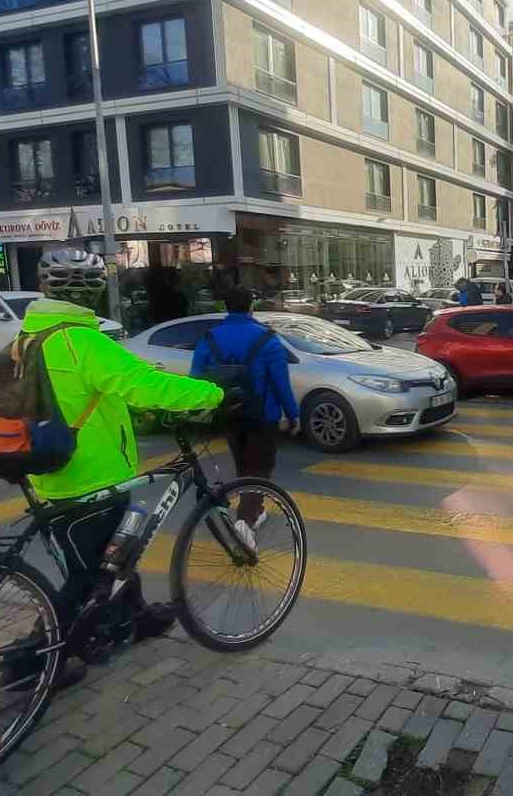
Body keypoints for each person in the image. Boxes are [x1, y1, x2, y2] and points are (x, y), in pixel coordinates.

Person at [15, 297, 226, 684]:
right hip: (89, 476)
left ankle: (136, 616)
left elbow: (76, 394)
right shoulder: (81, 341)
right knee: (86, 576)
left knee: (117, 552)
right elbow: (144, 384)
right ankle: (32, 665)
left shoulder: (28, 337)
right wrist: (215, 394)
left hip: (54, 469)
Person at [190, 286, 300, 526]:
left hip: (229, 413)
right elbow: (281, 383)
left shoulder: (209, 338)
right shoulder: (267, 339)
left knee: (242, 462)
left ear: (226, 307)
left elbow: (196, 376)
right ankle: (246, 522)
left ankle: (253, 510)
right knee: (259, 469)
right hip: (262, 416)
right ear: (251, 306)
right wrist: (293, 414)